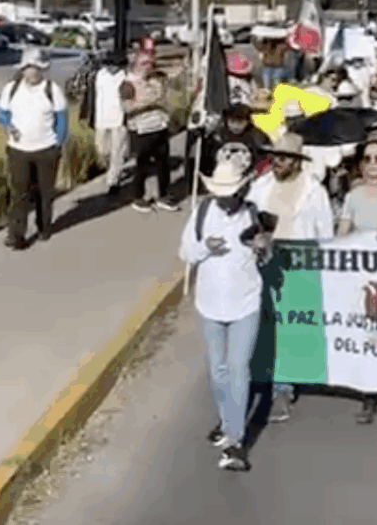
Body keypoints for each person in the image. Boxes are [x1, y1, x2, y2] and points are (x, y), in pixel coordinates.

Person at [180, 148, 272, 472]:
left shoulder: (253, 214)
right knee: (218, 369)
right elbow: (185, 251)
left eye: (230, 193)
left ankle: (235, 441)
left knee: (238, 368)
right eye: (221, 193)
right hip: (210, 304)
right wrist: (206, 247)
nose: (225, 199)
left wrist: (263, 249)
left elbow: (267, 256)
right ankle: (226, 418)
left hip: (245, 301)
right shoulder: (203, 212)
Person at [248, 132, 335, 423]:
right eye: (274, 156)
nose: (277, 162)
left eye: (283, 157)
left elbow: (325, 234)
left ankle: (282, 388)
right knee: (261, 326)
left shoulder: (314, 191)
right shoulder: (259, 187)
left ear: (297, 161)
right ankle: (258, 379)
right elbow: (244, 224)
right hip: (262, 264)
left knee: (287, 331)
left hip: (298, 267)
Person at [0, 47, 68, 250]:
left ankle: (44, 228)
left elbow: (62, 121)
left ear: (43, 69)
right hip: (18, 151)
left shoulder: (52, 90)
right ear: (22, 69)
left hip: (46, 150)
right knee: (19, 194)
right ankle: (16, 235)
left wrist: (57, 146)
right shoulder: (11, 89)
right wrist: (8, 126)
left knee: (44, 193)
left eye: (36, 68)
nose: (32, 72)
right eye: (28, 68)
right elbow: (1, 114)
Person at [123, 52, 179, 212]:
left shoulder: (156, 79)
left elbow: (172, 78)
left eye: (151, 63)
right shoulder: (127, 84)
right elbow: (127, 107)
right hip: (141, 129)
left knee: (163, 164)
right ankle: (138, 197)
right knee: (142, 165)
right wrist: (151, 101)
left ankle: (164, 195)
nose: (149, 67)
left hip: (160, 125)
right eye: (145, 63)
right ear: (136, 65)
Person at [93, 52, 129, 197]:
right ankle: (112, 169)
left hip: (119, 120)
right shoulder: (99, 76)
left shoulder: (125, 77)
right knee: (102, 151)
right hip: (101, 119)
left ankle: (113, 180)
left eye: (115, 65)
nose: (112, 67)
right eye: (109, 64)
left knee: (116, 152)